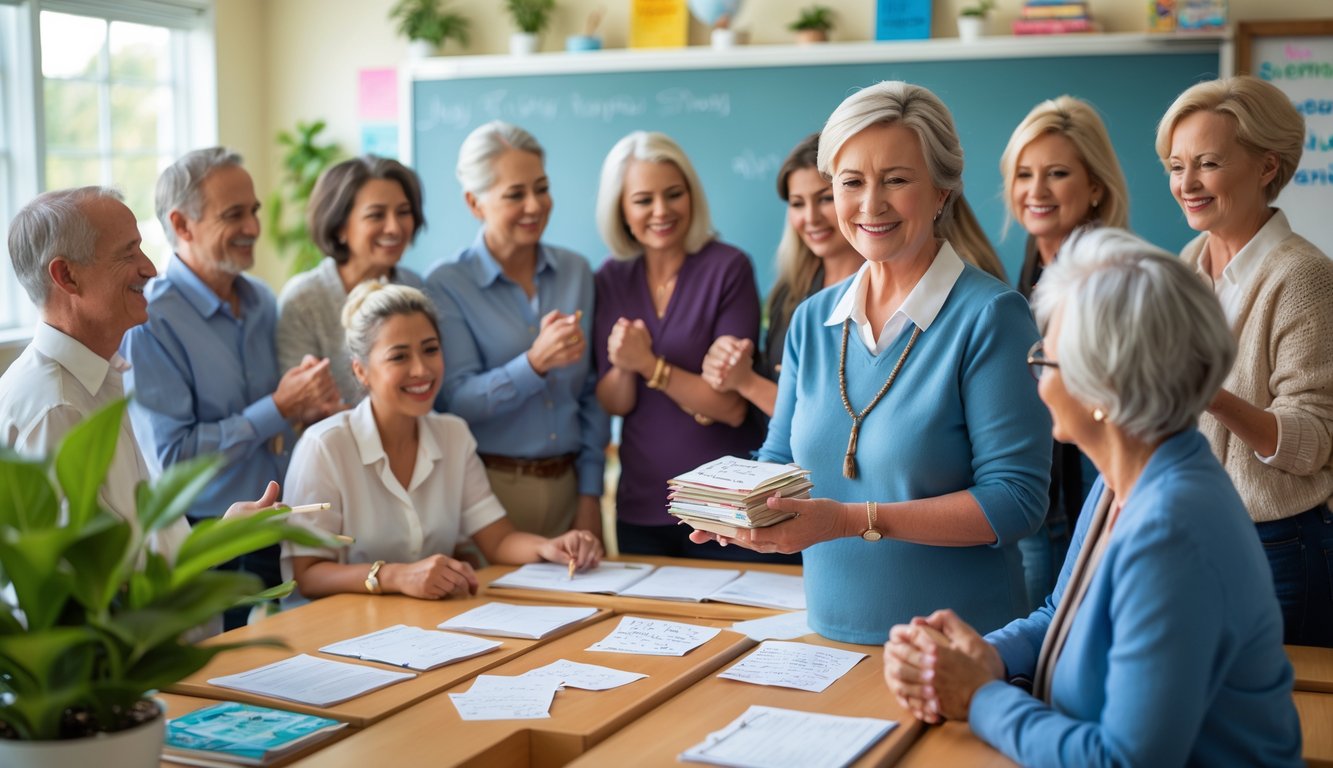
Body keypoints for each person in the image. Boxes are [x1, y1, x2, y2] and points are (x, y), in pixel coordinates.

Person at [883, 228, 1301, 767]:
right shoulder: (1126, 475)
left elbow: (1122, 761)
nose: (1039, 382)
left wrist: (980, 696)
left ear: (1104, 390)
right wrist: (981, 655)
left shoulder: (1171, 530)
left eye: (1047, 361)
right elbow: (1064, 612)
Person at [691, 81, 1051, 642]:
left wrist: (852, 520)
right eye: (851, 182)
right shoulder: (812, 321)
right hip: (826, 637)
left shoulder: (993, 317)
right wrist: (732, 505)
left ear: (941, 191)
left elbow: (1016, 502)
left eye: (897, 180)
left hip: (959, 649)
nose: (870, 205)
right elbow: (780, 458)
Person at [0, 186, 284, 561]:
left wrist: (221, 533)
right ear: (67, 276)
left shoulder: (101, 376)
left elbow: (138, 544)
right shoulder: (56, 410)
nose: (150, 268)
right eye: (127, 253)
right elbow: (87, 588)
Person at [124, 148, 341, 626]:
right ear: (182, 225)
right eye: (234, 215)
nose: (254, 227)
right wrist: (280, 406)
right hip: (206, 539)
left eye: (255, 210)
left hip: (275, 526)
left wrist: (308, 407)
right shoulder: (150, 321)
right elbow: (174, 459)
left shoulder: (262, 300)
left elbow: (274, 421)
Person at [281, 282, 602, 600]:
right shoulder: (324, 445)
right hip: (337, 631)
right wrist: (396, 575)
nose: (421, 369)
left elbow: (499, 540)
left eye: (430, 349)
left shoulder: (453, 434)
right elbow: (308, 574)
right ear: (361, 371)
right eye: (399, 357)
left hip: (427, 629)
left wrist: (551, 547)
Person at [1160, 75, 1333, 648]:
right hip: (1189, 535)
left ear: (1267, 167)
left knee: (1278, 723)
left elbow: (1313, 442)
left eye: (1207, 163)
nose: (1186, 183)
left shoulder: (1304, 276)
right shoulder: (1186, 264)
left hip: (1277, 545)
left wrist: (1207, 390)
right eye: (1176, 165)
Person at [592, 130, 784, 561]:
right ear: (621, 209)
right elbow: (615, 400)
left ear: (692, 196)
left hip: (728, 511)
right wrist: (626, 365)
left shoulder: (728, 268)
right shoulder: (610, 278)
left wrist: (649, 365)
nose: (661, 211)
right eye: (643, 200)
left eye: (674, 194)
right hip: (643, 505)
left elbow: (729, 406)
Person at [426, 121, 608, 541]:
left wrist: (590, 496)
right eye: (515, 194)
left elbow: (590, 394)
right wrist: (534, 363)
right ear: (475, 203)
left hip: (570, 491)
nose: (535, 205)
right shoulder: (447, 284)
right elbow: (453, 402)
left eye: (541, 188)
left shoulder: (576, 272)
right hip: (486, 493)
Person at [1000, 95, 1129, 610]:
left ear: (1095, 185)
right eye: (1024, 174)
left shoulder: (1107, 272)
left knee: (1054, 645)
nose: (1036, 191)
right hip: (1038, 494)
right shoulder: (1036, 263)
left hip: (1084, 497)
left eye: (1056, 173)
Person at [701, 132, 864, 417]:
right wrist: (726, 360)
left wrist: (747, 383)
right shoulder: (788, 295)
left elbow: (835, 421)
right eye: (798, 203)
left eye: (825, 199)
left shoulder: (880, 293)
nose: (810, 218)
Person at [278, 155, 427, 405]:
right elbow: (301, 410)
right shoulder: (304, 300)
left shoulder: (416, 288)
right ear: (339, 227)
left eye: (403, 212)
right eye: (376, 215)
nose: (394, 227)